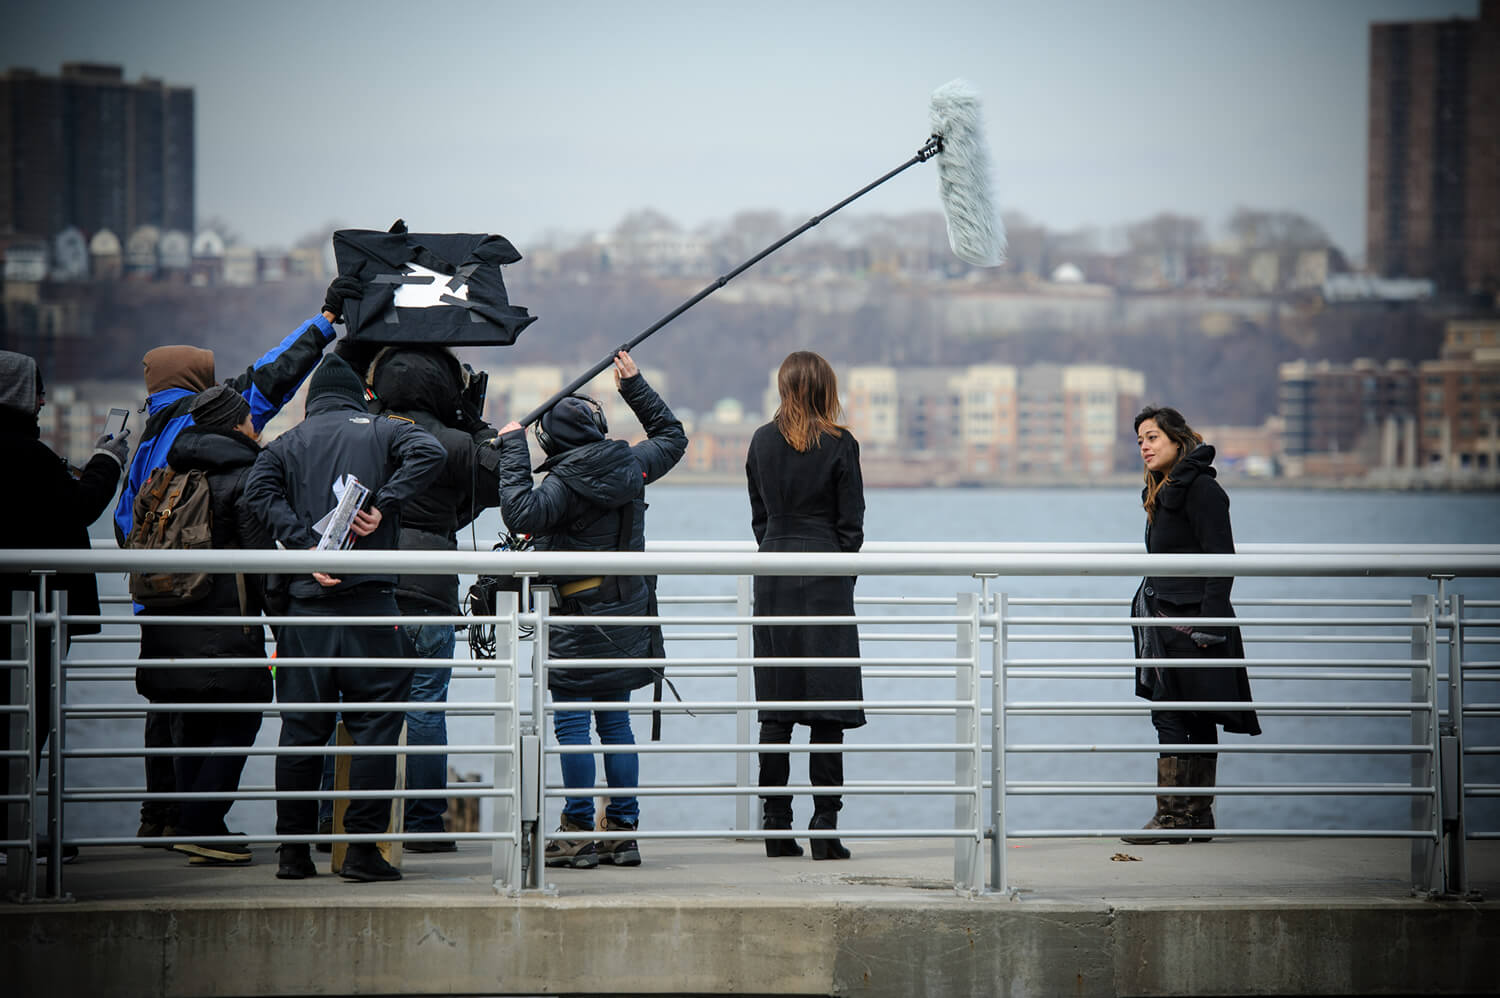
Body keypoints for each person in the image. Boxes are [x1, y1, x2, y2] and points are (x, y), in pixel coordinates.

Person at [116, 276, 359, 843]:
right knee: (233, 711)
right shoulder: (211, 421)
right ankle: (199, 824)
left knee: (173, 710)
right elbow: (273, 374)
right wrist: (324, 322)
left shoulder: (154, 443)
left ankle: (164, 816)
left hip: (158, 602)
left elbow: (127, 524)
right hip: (219, 608)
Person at [243, 354, 445, 882]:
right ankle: (360, 852)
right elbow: (431, 450)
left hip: (305, 610)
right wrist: (385, 502)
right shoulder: (382, 431)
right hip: (371, 606)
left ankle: (292, 853)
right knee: (378, 726)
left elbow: (255, 492)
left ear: (312, 402)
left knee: (302, 729)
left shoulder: (285, 445)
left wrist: (305, 543)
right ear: (360, 395)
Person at [495, 349, 686, 869]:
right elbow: (673, 437)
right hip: (627, 611)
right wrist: (635, 385)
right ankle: (623, 831)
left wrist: (512, 447)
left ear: (552, 441)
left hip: (576, 615)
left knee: (574, 725)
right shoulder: (632, 466)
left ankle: (577, 829)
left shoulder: (559, 484)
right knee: (616, 723)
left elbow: (519, 514)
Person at [358, 346, 503, 852]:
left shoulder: (365, 433)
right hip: (432, 590)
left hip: (370, 587)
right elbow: (497, 484)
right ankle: (424, 825)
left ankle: (338, 820)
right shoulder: (457, 441)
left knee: (357, 705)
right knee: (425, 707)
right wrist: (477, 423)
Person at [135, 387, 275, 866]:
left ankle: (196, 823)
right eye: (251, 420)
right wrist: (281, 620)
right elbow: (261, 561)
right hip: (225, 625)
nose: (257, 427)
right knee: (243, 713)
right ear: (237, 425)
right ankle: (202, 823)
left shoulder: (169, 472)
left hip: (166, 622)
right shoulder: (246, 476)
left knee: (189, 721)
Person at [0, 351, 129, 864]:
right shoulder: (27, 457)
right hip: (32, 613)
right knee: (29, 718)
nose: (44, 400)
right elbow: (77, 508)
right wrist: (108, 461)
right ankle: (16, 831)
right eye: (35, 391)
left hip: (23, 610)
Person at [745, 351, 865, 861]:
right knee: (826, 709)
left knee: (777, 706)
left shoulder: (759, 441)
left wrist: (776, 546)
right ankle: (825, 824)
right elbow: (852, 528)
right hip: (825, 578)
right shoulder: (841, 444)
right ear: (824, 388)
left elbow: (758, 516)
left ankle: (776, 825)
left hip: (772, 573)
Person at [1123, 405, 1261, 846]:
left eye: (1152, 438)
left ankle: (1174, 816)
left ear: (1177, 440)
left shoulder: (1200, 489)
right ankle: (1194, 817)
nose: (1144, 446)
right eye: (1140, 439)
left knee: (1173, 712)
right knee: (1190, 714)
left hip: (1192, 622)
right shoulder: (1167, 488)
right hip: (1168, 619)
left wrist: (1211, 623)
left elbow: (1221, 558)